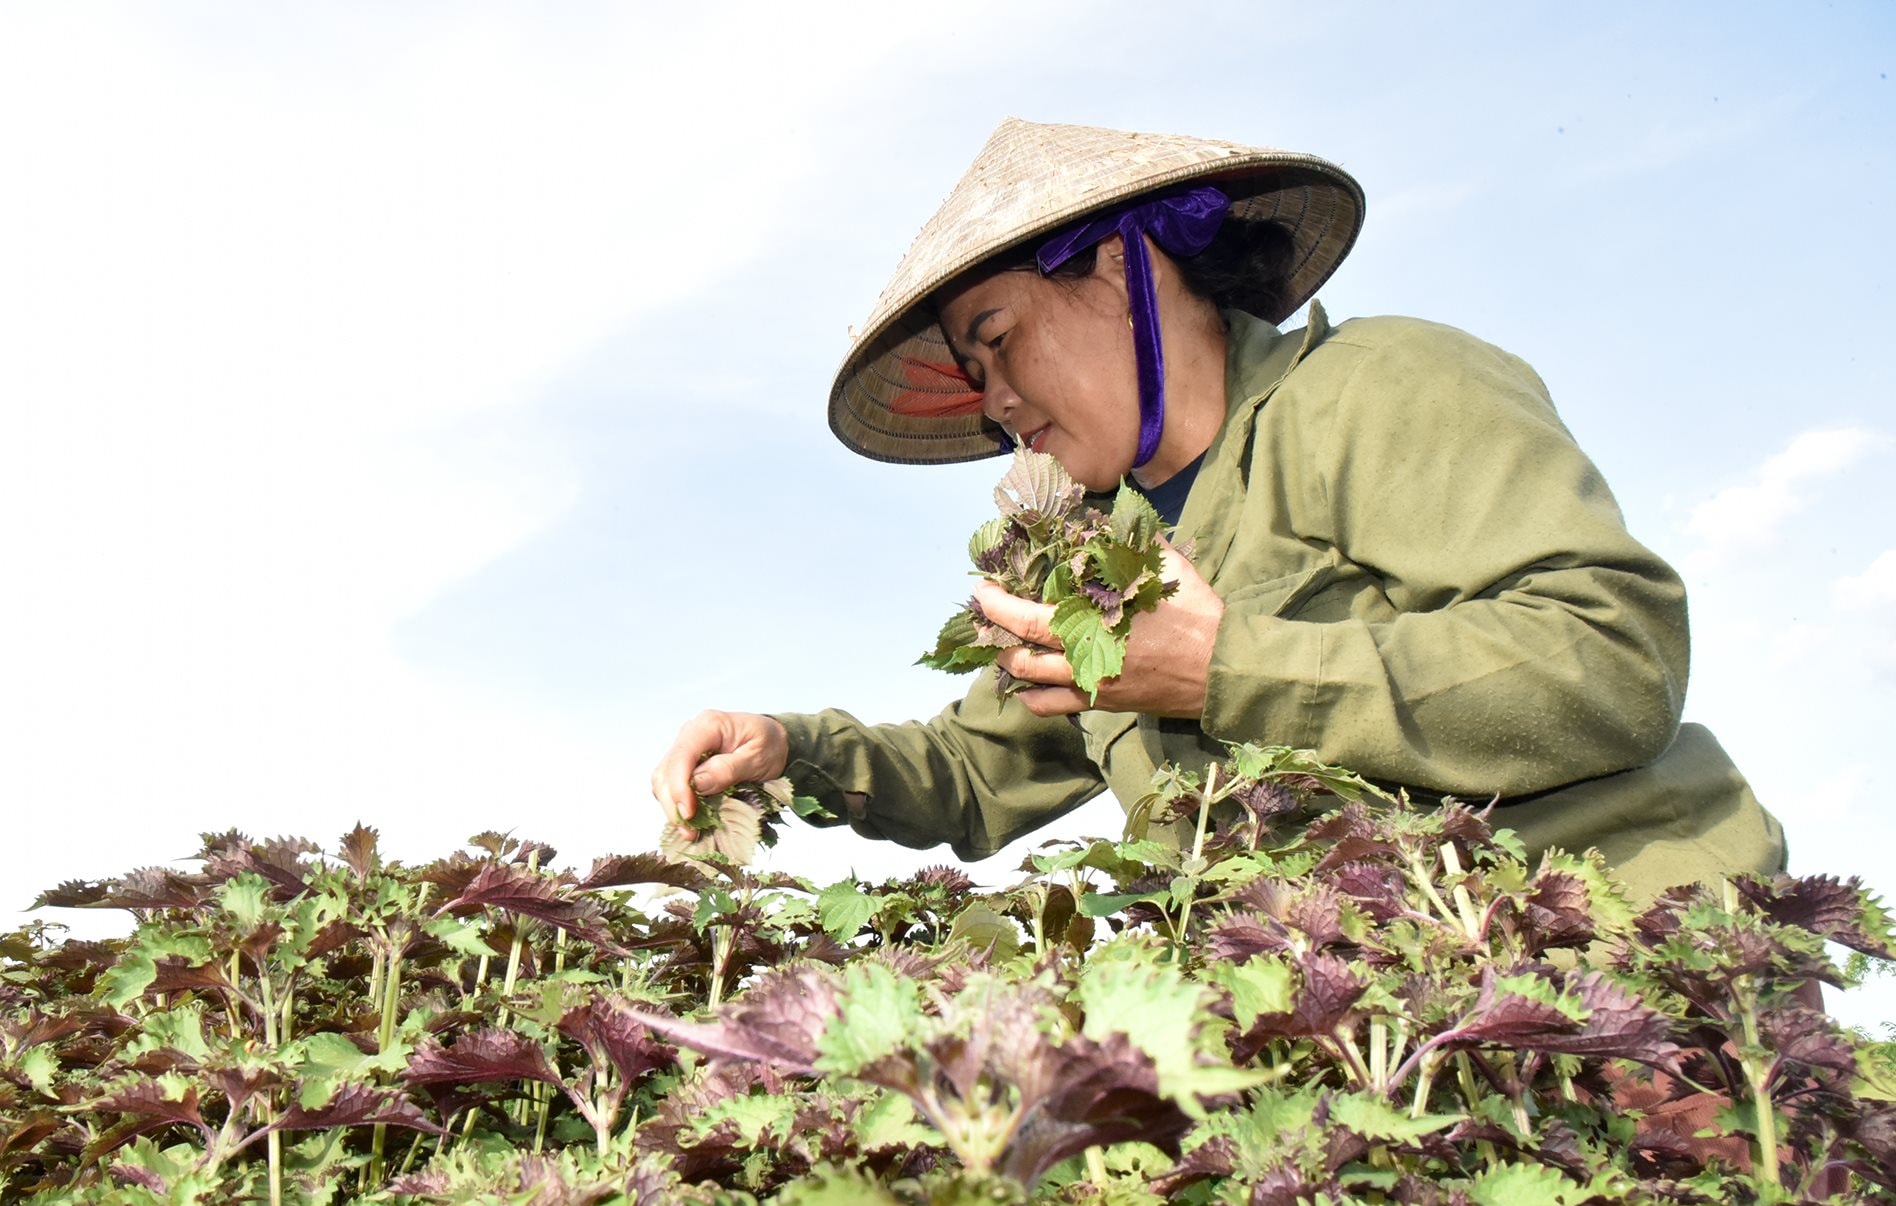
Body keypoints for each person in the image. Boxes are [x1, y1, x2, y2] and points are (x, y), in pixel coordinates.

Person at [648, 118, 1786, 902]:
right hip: (1361, 1047)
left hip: (1616, 980)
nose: (993, 404)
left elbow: (1611, 663)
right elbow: (977, 769)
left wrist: (1228, 668)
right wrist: (789, 750)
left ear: (1118, 268)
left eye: (995, 340)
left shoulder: (1376, 388)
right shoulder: (1093, 561)